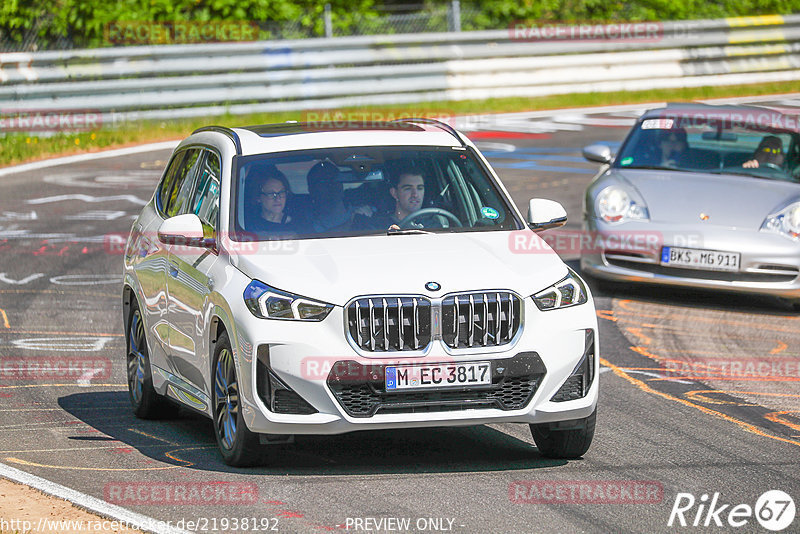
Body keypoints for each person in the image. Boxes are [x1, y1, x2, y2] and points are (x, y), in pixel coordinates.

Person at [306, 161, 375, 233]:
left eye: (336, 180)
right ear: (312, 190)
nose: (332, 185)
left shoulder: (362, 211)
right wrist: (350, 222)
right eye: (324, 182)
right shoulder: (307, 227)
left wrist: (369, 216)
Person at [247, 165, 299, 236]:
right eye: (271, 194)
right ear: (258, 198)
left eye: (281, 192)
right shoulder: (249, 226)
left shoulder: (299, 224)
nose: (278, 198)